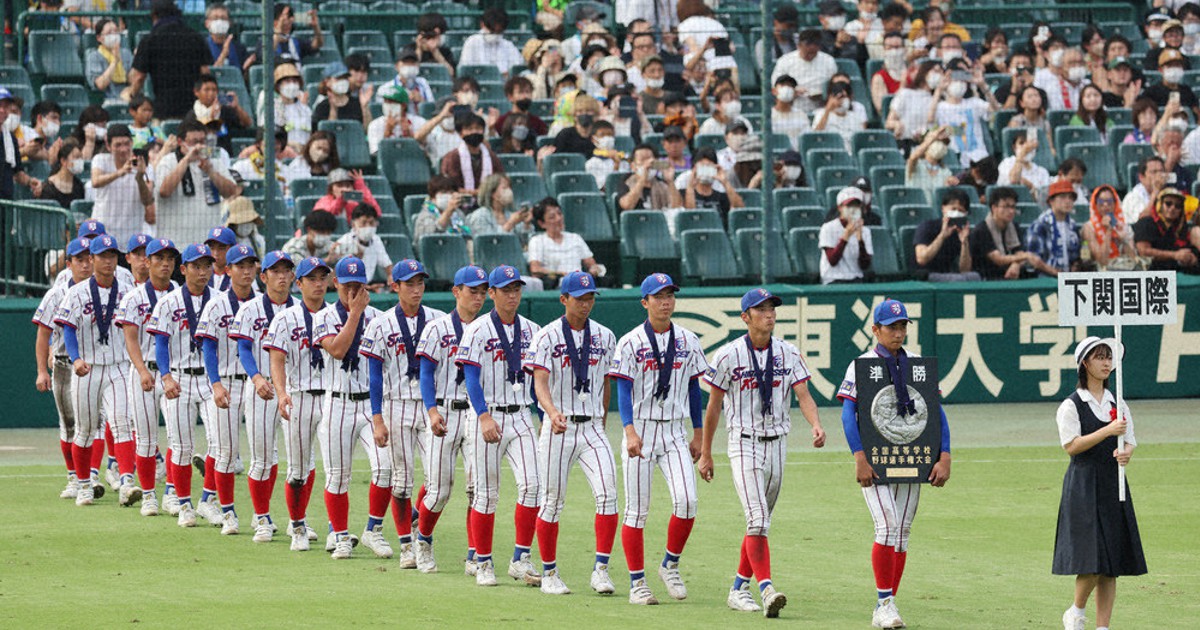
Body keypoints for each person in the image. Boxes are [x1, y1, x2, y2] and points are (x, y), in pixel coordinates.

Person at [697, 288, 825, 617]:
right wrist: (706, 453)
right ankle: (766, 588)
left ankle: (738, 588)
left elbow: (804, 394)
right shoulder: (727, 356)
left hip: (777, 444)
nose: (769, 314)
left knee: (760, 523)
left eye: (771, 308)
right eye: (761, 309)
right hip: (743, 442)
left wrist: (815, 424)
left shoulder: (788, 353)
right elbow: (713, 408)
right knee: (757, 519)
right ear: (745, 317)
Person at [835, 299, 952, 630]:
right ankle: (884, 602)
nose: (898, 333)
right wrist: (858, 456)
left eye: (902, 326)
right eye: (891, 327)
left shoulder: (917, 364)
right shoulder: (862, 364)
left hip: (911, 458)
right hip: (875, 461)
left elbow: (935, 410)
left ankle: (886, 603)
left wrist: (945, 453)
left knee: (901, 534)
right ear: (875, 329)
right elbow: (848, 413)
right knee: (886, 526)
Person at [608, 272, 706, 606]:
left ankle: (670, 564)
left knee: (688, 501)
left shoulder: (689, 340)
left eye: (670, 295)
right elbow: (622, 388)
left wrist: (699, 433)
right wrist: (629, 430)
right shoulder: (631, 341)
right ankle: (637, 582)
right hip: (643, 429)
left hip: (675, 430)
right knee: (637, 511)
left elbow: (694, 387)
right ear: (645, 302)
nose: (666, 302)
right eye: (659, 296)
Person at [523, 270, 619, 596]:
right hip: (557, 428)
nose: (586, 304)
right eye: (580, 298)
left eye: (590, 297)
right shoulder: (546, 336)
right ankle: (549, 573)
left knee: (608, 495)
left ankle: (601, 570)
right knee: (551, 501)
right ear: (564, 299)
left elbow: (606, 381)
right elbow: (539, 382)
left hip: (592, 426)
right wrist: (550, 412)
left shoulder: (606, 336)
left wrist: (603, 420)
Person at [456, 265, 544, 587]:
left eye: (516, 289)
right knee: (486, 494)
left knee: (533, 486)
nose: (512, 295)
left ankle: (520, 558)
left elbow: (539, 379)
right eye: (505, 289)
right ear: (491, 293)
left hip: (521, 414)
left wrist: (546, 413)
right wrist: (482, 415)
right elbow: (470, 377)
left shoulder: (533, 330)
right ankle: (483, 561)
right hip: (487, 414)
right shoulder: (477, 330)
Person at [1055, 337, 1146, 630]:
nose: (1107, 363)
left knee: (1111, 564)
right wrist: (1108, 431)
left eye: (1109, 358)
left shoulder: (1117, 402)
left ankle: (1103, 626)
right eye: (1100, 357)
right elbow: (1071, 445)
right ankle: (1076, 612)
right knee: (1091, 558)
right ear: (1085, 363)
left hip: (1113, 482)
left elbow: (1130, 440)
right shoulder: (1071, 405)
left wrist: (1125, 453)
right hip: (1083, 484)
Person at [360, 259, 445, 569]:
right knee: (401, 481)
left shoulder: (438, 320)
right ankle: (408, 545)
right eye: (409, 283)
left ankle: (420, 527)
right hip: (395, 404)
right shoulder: (380, 324)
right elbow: (374, 375)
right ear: (395, 286)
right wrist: (377, 417)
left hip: (429, 406)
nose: (416, 289)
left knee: (438, 479)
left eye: (420, 282)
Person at [311, 256, 395, 559]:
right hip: (337, 404)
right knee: (337, 476)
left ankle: (373, 529)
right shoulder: (323, 316)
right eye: (347, 286)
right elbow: (337, 349)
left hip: (372, 405)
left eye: (358, 286)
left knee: (386, 469)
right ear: (336, 285)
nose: (352, 292)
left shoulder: (381, 318)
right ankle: (342, 535)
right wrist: (356, 313)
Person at [414, 265, 489, 574]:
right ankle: (423, 540)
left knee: (477, 488)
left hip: (474, 414)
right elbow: (425, 373)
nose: (479, 297)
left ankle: (474, 554)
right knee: (439, 490)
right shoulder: (437, 327)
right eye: (473, 291)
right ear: (456, 291)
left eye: (484, 291)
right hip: (444, 411)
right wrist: (431, 410)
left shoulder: (488, 328)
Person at [53, 234, 138, 507]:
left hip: (119, 366)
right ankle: (84, 484)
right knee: (86, 429)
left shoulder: (127, 290)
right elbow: (68, 328)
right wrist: (75, 358)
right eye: (102, 256)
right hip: (87, 369)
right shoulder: (76, 292)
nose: (108, 261)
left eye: (112, 255)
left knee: (123, 423)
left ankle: (126, 482)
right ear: (91, 259)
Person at [145, 242, 216, 526]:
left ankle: (208, 500)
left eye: (207, 265)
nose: (203, 272)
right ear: (184, 269)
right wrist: (165, 376)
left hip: (212, 380)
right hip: (180, 377)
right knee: (182, 445)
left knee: (220, 444)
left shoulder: (220, 299)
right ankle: (184, 503)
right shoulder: (169, 302)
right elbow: (160, 344)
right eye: (196, 266)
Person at [229, 250, 297, 542]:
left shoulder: (305, 308)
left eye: (286, 271)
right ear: (264, 276)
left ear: (294, 276)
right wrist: (255, 377)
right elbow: (243, 348)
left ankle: (298, 521)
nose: (282, 276)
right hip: (262, 387)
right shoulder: (250, 309)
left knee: (299, 461)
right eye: (275, 271)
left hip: (297, 388)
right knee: (262, 457)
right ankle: (261, 517)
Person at [264, 256, 331, 550]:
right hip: (300, 396)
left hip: (331, 398)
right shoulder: (285, 318)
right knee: (298, 470)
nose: (318, 284)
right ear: (299, 283)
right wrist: (281, 393)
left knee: (336, 469)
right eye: (312, 279)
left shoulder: (337, 315)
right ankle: (298, 526)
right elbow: (276, 360)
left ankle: (335, 530)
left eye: (322, 278)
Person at [196, 243, 261, 535]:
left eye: (251, 265)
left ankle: (262, 516)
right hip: (228, 381)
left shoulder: (264, 301)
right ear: (228, 270)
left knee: (265, 452)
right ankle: (228, 512)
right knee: (226, 451)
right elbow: (208, 347)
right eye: (240, 266)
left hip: (258, 384)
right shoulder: (216, 303)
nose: (246, 271)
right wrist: (215, 383)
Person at [33, 237, 94, 500]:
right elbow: (43, 334)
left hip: (94, 366)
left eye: (89, 258)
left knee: (94, 424)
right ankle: (73, 477)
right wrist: (41, 371)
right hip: (63, 365)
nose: (86, 264)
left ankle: (92, 475)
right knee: (69, 424)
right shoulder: (57, 294)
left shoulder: (102, 289)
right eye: (79, 260)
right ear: (68, 264)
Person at [155, 120, 239, 244]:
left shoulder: (214, 161)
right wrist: (187, 160)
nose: (199, 146)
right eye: (194, 142)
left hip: (206, 244)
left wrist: (211, 171)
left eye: (202, 141)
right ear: (180, 142)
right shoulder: (168, 162)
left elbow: (231, 192)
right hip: (175, 244)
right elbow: (164, 191)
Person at [124, 0, 211, 119]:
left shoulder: (149, 40)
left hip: (163, 107)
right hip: (192, 107)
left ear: (154, 16)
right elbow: (205, 73)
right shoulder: (195, 37)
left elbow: (138, 78)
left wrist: (132, 95)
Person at [969, 187, 1053, 279]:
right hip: (987, 277)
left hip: (1010, 273)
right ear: (994, 208)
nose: (1011, 211)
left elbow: (1019, 253)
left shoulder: (1014, 226)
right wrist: (1026, 256)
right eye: (1006, 206)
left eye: (1013, 207)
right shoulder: (981, 230)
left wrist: (1016, 265)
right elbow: (999, 259)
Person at [92, 124, 154, 245]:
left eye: (127, 144)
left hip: (131, 236)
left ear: (132, 142)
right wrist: (120, 172)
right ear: (108, 146)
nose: (123, 149)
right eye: (118, 145)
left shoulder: (145, 166)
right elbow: (96, 181)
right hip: (103, 234)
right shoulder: (100, 159)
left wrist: (140, 177)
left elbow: (148, 201)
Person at [931, 63, 1001, 168]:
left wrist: (982, 85)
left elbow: (995, 109)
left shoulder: (974, 103)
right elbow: (930, 119)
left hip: (979, 157)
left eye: (961, 79)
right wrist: (939, 89)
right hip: (953, 158)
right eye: (954, 79)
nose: (958, 83)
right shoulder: (941, 106)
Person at [526, 198, 603, 288]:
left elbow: (592, 264)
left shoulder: (575, 238)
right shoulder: (537, 241)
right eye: (552, 217)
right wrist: (560, 274)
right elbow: (535, 269)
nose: (559, 219)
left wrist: (594, 270)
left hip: (580, 284)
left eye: (559, 214)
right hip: (556, 285)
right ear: (542, 223)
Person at [913, 188, 979, 281]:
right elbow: (922, 259)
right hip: (926, 274)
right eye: (953, 209)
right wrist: (942, 236)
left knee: (974, 276)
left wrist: (964, 242)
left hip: (949, 274)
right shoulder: (927, 226)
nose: (956, 213)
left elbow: (965, 270)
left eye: (961, 210)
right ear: (943, 208)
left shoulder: (964, 233)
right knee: (958, 280)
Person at [772, 29, 839, 116]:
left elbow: (835, 86)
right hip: (792, 107)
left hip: (821, 109)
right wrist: (792, 92)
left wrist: (823, 94)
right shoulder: (785, 61)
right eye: (807, 53)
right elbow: (775, 86)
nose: (810, 56)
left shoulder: (828, 61)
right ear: (799, 46)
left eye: (813, 53)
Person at [182, 73, 253, 156]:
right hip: (202, 155)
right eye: (207, 90)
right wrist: (212, 118)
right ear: (196, 92)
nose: (211, 93)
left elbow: (247, 123)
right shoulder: (192, 115)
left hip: (225, 156)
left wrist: (237, 107)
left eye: (214, 90)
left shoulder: (224, 111)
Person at [1025, 179, 1083, 276]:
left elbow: (1076, 255)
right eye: (1062, 197)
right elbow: (1033, 258)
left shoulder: (1072, 225)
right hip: (1045, 279)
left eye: (1070, 198)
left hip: (1068, 278)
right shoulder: (1040, 224)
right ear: (1051, 201)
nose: (1068, 201)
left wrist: (1075, 266)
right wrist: (1055, 272)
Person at [1133, 187, 1200, 271]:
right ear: (1159, 204)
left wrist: (1191, 258)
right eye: (1168, 203)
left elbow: (1185, 250)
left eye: (1177, 206)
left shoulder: (1180, 226)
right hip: (1150, 273)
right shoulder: (1146, 222)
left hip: (1175, 270)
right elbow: (1144, 252)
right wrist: (1175, 255)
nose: (1172, 208)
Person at [819, 187, 874, 284]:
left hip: (856, 278)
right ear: (840, 208)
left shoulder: (865, 231)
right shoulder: (828, 228)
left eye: (856, 206)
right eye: (849, 206)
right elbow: (832, 260)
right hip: (833, 279)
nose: (853, 209)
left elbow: (865, 265)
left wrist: (860, 240)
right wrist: (845, 236)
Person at [440, 114, 504, 195]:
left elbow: (500, 179)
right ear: (461, 134)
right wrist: (474, 193)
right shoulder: (452, 157)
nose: (474, 132)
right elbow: (448, 186)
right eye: (469, 129)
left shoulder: (492, 157)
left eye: (478, 128)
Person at [885, 60, 939, 152]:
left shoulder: (940, 100)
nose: (939, 75)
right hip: (907, 144)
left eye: (941, 73)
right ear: (924, 73)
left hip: (931, 147)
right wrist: (897, 125)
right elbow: (888, 122)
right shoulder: (905, 94)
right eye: (935, 71)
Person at [334, 204, 393, 288]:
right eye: (363, 223)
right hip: (347, 287)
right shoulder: (344, 241)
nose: (368, 227)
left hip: (367, 285)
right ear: (353, 224)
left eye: (371, 223)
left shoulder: (376, 239)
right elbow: (342, 276)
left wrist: (391, 277)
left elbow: (386, 263)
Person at [679, 147, 744, 223]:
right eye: (702, 167)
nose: (706, 171)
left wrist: (725, 182)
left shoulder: (721, 197)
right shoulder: (684, 193)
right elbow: (690, 216)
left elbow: (740, 209)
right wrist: (690, 186)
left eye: (709, 166)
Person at [261, 62, 312, 152]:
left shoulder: (306, 110)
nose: (292, 85)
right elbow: (266, 138)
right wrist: (291, 145)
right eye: (287, 81)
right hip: (281, 154)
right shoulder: (271, 109)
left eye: (295, 81)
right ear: (278, 86)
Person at [459, 7, 524, 77]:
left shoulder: (508, 46)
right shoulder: (472, 42)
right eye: (492, 31)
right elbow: (466, 71)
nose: (495, 35)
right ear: (482, 24)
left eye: (498, 32)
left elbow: (517, 69)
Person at [1082, 185, 1136, 269]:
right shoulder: (1089, 228)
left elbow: (1133, 259)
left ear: (1115, 203)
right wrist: (1109, 231)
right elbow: (1102, 261)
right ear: (1095, 204)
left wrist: (1123, 240)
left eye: (1110, 201)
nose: (1105, 205)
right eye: (1101, 201)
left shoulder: (1124, 226)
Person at [618, 144, 684, 212]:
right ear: (633, 166)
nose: (648, 164)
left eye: (650, 160)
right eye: (642, 160)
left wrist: (670, 181)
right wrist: (642, 179)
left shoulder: (662, 184)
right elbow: (627, 205)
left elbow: (678, 207)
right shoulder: (626, 182)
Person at [466, 174, 531, 241]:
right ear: (492, 193)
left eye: (509, 188)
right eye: (505, 188)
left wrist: (527, 224)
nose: (509, 191)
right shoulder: (480, 216)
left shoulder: (510, 214)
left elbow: (525, 242)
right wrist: (510, 224)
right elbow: (490, 244)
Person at [1140, 48, 1200, 120]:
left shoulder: (1187, 91)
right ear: (1161, 70)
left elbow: (1197, 114)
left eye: (1177, 65)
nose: (1174, 69)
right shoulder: (1151, 93)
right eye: (1170, 66)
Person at [368, 84, 427, 156]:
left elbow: (425, 154)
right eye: (386, 101)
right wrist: (387, 132)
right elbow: (376, 156)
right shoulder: (375, 125)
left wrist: (410, 137)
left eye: (392, 102)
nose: (388, 105)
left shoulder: (419, 122)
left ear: (404, 105)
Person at [85, 19, 134, 104]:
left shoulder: (126, 53)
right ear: (99, 38)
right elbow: (100, 84)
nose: (114, 35)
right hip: (107, 99)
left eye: (115, 31)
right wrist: (115, 61)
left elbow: (132, 80)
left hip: (128, 98)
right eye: (109, 33)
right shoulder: (94, 56)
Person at [998, 131, 1052, 204]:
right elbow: (1014, 180)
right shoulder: (1006, 163)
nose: (1027, 147)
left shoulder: (1042, 172)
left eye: (1030, 143)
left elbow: (1044, 201)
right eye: (1022, 143)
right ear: (1014, 147)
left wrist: (1031, 187)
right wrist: (1022, 153)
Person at [314, 168, 381, 224]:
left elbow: (376, 213)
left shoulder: (354, 204)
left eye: (348, 186)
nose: (344, 189)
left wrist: (361, 187)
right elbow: (321, 218)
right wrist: (341, 200)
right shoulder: (324, 201)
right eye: (339, 186)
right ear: (331, 189)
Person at [400, 12, 457, 77]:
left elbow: (451, 74)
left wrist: (435, 51)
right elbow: (408, 73)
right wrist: (419, 49)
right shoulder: (409, 49)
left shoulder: (445, 51)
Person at [905, 127, 956, 199]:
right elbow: (913, 157)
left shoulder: (946, 172)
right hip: (915, 208)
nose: (940, 145)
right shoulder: (916, 165)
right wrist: (933, 137)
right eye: (936, 141)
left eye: (942, 143)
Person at [35, 137, 85, 210]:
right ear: (63, 161)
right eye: (76, 157)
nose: (79, 161)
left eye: (81, 158)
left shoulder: (79, 186)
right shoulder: (48, 188)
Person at [312, 62, 364, 131]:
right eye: (338, 78)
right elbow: (325, 135)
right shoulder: (322, 107)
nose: (343, 82)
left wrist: (364, 107)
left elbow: (365, 131)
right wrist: (333, 110)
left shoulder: (357, 103)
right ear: (327, 82)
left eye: (345, 78)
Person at [1008, 85, 1056, 159]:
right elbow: (1016, 146)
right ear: (1022, 103)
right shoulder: (1016, 122)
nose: (1034, 99)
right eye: (1029, 96)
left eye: (1036, 96)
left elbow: (1050, 146)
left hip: (1041, 157)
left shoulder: (1045, 123)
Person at [203, 3, 255, 71]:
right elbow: (208, 76)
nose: (219, 22)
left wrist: (247, 68)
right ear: (207, 23)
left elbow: (243, 77)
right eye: (215, 18)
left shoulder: (239, 48)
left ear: (229, 23)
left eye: (223, 18)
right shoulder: (201, 47)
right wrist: (224, 55)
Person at [770, 75, 811, 150]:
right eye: (783, 85)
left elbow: (806, 140)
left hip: (797, 157)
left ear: (795, 93)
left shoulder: (801, 115)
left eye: (790, 86)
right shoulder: (768, 115)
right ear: (774, 91)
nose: (787, 88)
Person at [871, 32, 908, 113]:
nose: (894, 51)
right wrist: (902, 87)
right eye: (890, 48)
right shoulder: (879, 78)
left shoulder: (914, 74)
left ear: (905, 49)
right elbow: (882, 109)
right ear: (884, 50)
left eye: (897, 47)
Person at [1122, 156, 1166, 220]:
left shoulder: (1168, 192)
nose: (1159, 175)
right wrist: (1155, 192)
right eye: (1154, 172)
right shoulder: (1132, 198)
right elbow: (1143, 221)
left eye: (1161, 171)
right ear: (1141, 177)